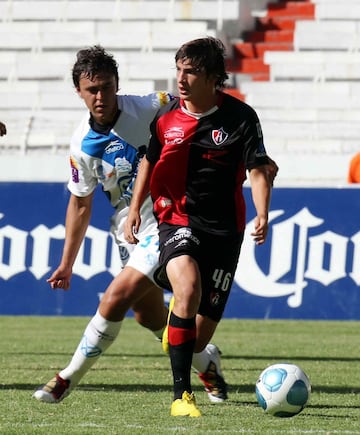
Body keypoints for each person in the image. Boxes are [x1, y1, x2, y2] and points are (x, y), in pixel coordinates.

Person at [32, 45, 228, 405]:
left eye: (107, 87)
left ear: (117, 85)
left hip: (169, 220)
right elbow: (79, 204)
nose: (101, 96)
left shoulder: (149, 106)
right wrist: (66, 262)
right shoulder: (82, 145)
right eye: (92, 90)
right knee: (148, 315)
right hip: (130, 230)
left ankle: (65, 379)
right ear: (78, 91)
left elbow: (198, 105)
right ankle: (206, 363)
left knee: (114, 299)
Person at [124, 37, 273, 417]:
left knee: (196, 339)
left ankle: (181, 328)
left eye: (190, 72)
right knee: (187, 288)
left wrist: (262, 213)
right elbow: (148, 160)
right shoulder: (166, 117)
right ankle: (181, 398)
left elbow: (257, 168)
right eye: (178, 70)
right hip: (176, 218)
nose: (181, 79)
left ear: (213, 78)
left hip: (225, 230)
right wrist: (134, 210)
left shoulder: (240, 118)